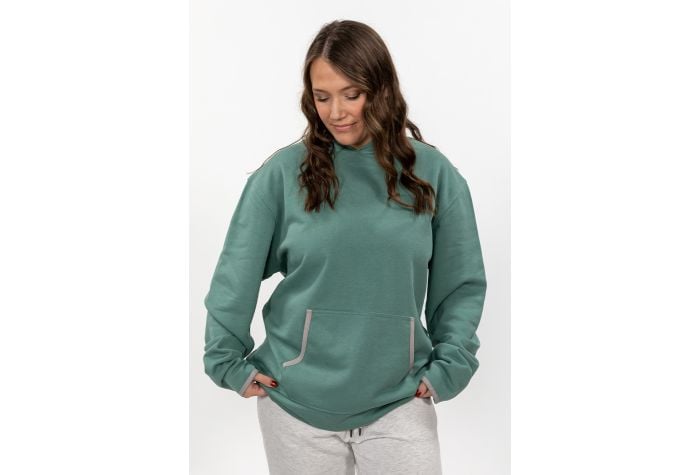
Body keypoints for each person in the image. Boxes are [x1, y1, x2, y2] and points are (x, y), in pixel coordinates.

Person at [203, 19, 487, 475]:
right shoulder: (283, 175)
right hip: (295, 404)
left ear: (381, 89)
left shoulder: (433, 174)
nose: (336, 112)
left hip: (400, 398)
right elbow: (235, 272)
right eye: (322, 97)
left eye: (351, 94)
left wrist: (449, 365)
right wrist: (226, 360)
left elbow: (461, 283)